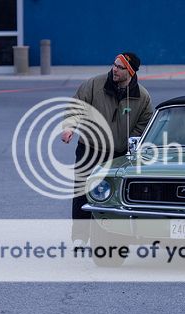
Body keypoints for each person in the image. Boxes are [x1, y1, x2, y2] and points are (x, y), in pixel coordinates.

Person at [62, 52, 153, 245]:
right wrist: (70, 126)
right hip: (90, 148)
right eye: (114, 65)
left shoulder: (141, 97)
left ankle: (111, 237)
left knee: (112, 196)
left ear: (130, 71)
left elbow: (144, 124)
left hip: (118, 154)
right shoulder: (95, 84)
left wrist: (129, 143)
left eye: (120, 67)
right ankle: (80, 236)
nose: (114, 70)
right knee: (82, 192)